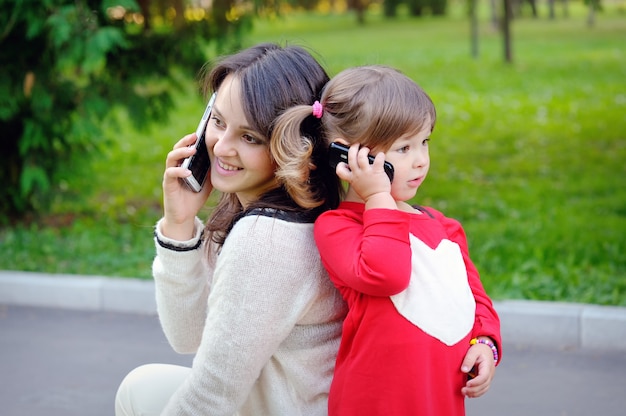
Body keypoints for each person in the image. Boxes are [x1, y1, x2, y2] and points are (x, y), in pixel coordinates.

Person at [114, 43, 348, 416]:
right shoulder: (292, 211)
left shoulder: (265, 242)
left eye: (250, 137)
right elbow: (188, 336)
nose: (221, 147)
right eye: (219, 121)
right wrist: (178, 225)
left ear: (294, 148)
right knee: (142, 386)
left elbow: (211, 399)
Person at [272, 65, 502, 415]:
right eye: (403, 148)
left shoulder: (444, 229)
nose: (421, 161)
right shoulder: (338, 227)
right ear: (350, 155)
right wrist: (379, 198)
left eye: (424, 142)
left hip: (438, 402)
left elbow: (475, 300)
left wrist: (485, 343)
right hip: (373, 404)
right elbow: (386, 274)